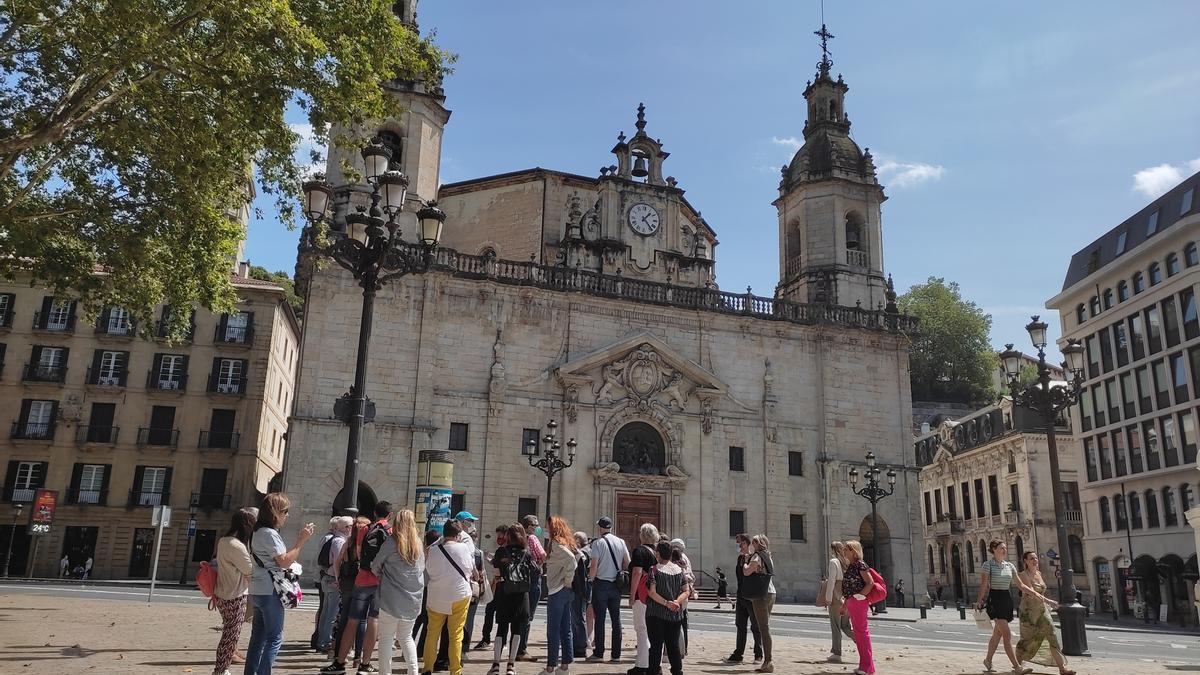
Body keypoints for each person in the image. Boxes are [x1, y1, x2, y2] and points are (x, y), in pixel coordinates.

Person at [245, 492, 314, 675]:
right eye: (285, 511)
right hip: (271, 590)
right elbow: (283, 561)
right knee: (274, 638)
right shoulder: (269, 534)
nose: (287, 515)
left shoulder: (256, 532)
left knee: (257, 637)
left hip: (258, 588)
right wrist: (301, 541)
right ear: (275, 513)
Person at [323, 502, 393, 675]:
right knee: (373, 620)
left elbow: (360, 554)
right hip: (379, 581)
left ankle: (339, 663)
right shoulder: (390, 531)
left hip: (362, 579)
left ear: (375, 513)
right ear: (390, 515)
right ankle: (365, 664)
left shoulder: (364, 529)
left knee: (352, 620)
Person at [974, 540, 1043, 675]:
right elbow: (984, 585)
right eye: (1002, 548)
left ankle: (988, 660)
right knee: (1007, 634)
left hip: (1007, 599)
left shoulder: (1009, 566)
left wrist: (1034, 593)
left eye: (1005, 547)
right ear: (994, 549)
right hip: (995, 600)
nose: (1005, 550)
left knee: (997, 634)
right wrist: (979, 601)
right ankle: (1017, 667)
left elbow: (1020, 585)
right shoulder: (988, 565)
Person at [372, 509, 425, 675]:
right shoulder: (418, 542)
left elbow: (376, 566)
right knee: (406, 637)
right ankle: (413, 671)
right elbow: (421, 568)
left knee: (386, 638)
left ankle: (385, 673)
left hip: (391, 597)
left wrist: (384, 575)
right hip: (413, 598)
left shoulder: (391, 542)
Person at [423, 519, 475, 675]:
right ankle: (455, 670)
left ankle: (427, 668)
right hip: (459, 594)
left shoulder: (432, 550)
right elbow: (469, 569)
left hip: (437, 595)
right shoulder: (464, 548)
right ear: (458, 534)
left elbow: (429, 570)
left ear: (443, 534)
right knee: (456, 635)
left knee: (432, 633)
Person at [1014, 551, 1075, 675]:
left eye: (1035, 557)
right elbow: (1032, 592)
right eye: (1031, 558)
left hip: (1042, 611)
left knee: (1052, 635)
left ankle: (1062, 668)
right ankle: (1018, 665)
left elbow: (1040, 592)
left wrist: (1046, 602)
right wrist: (1049, 601)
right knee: (1027, 639)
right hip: (1028, 613)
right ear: (1025, 561)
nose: (1034, 560)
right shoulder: (1023, 575)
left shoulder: (1039, 574)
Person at [212, 509, 254, 675]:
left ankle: (222, 668)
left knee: (229, 632)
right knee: (231, 635)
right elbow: (249, 571)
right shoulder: (237, 545)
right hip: (235, 594)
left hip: (222, 592)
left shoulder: (223, 541)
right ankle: (221, 669)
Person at [489, 523, 533, 675]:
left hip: (504, 593)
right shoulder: (526, 553)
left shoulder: (501, 552)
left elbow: (496, 573)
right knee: (517, 630)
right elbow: (534, 571)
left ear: (508, 536)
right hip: (521, 595)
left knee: (501, 628)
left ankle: (495, 666)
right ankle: (511, 666)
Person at [586, 516, 629, 664]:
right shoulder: (621, 542)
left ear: (600, 528)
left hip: (601, 584)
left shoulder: (598, 543)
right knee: (616, 620)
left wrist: (590, 579)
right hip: (616, 586)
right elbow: (627, 562)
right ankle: (616, 655)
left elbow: (594, 565)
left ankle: (599, 653)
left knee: (600, 620)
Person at [646, 541, 690, 675]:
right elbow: (686, 591)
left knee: (656, 646)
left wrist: (666, 603)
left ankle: (653, 671)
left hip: (656, 613)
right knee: (673, 645)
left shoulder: (654, 570)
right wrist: (676, 602)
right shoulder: (679, 570)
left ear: (658, 553)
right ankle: (677, 671)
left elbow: (652, 592)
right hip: (674, 614)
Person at [544, 516, 578, 673]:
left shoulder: (556, 544)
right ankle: (565, 665)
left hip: (557, 589)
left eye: (547, 526)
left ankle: (551, 666)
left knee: (553, 629)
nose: (545, 529)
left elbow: (572, 560)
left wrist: (568, 580)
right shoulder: (566, 542)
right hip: (564, 590)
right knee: (566, 628)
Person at [317, 517, 353, 654]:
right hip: (333, 579)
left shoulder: (333, 539)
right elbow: (338, 564)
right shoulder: (339, 541)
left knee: (326, 612)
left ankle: (322, 640)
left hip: (328, 578)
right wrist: (339, 580)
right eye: (350, 526)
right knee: (331, 614)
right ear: (346, 527)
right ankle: (325, 642)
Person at [725, 534, 762, 664]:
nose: (738, 545)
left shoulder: (753, 557)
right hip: (741, 595)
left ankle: (758, 654)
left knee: (755, 626)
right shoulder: (740, 558)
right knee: (740, 625)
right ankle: (738, 653)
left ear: (746, 543)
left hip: (751, 597)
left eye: (739, 543)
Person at [449, 511, 482, 661]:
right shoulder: (466, 540)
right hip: (463, 585)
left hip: (449, 585)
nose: (471, 524)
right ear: (462, 522)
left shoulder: (446, 537)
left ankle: (451, 652)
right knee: (463, 620)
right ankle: (460, 653)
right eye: (469, 521)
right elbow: (470, 562)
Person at [628, 522, 660, 675]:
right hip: (655, 596)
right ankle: (654, 664)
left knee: (641, 629)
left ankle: (641, 666)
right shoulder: (657, 552)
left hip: (642, 596)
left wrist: (631, 594)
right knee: (653, 632)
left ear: (642, 535)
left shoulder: (639, 551)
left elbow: (637, 572)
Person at [840, 540, 875, 675]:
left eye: (846, 549)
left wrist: (861, 595)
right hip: (852, 601)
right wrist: (845, 605)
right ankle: (864, 666)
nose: (844, 551)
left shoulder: (860, 564)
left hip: (859, 601)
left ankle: (867, 668)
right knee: (859, 634)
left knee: (862, 633)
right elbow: (848, 588)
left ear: (853, 551)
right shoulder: (851, 565)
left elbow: (870, 582)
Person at [742, 534, 775, 673]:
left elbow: (747, 572)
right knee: (765, 626)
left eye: (754, 542)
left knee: (764, 628)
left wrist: (745, 562)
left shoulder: (757, 556)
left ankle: (768, 661)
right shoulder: (769, 556)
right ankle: (768, 660)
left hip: (760, 594)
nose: (752, 545)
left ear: (758, 543)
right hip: (771, 592)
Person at [516, 514, 546, 661]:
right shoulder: (532, 538)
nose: (537, 527)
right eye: (535, 525)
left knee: (519, 614)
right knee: (528, 616)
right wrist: (540, 564)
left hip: (520, 579)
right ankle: (522, 650)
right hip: (533, 579)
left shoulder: (518, 537)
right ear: (528, 526)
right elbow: (543, 555)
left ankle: (515, 647)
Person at [476, 524, 510, 651]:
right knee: (502, 614)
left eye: (500, 535)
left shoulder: (501, 550)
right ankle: (503, 641)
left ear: (506, 535)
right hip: (507, 585)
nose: (498, 537)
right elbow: (497, 563)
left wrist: (489, 559)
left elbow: (496, 567)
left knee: (490, 611)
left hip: (498, 584)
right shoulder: (510, 550)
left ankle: (486, 639)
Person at [822, 541, 854, 664]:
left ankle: (836, 653)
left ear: (832, 550)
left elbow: (831, 581)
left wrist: (828, 598)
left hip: (836, 595)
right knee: (845, 625)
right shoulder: (847, 562)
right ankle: (862, 642)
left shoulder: (833, 562)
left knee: (835, 625)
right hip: (846, 597)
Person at [570, 531, 592, 660]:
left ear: (578, 541)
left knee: (577, 618)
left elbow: (579, 575)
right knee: (579, 617)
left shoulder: (581, 554)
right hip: (585, 589)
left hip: (579, 590)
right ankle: (579, 645)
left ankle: (580, 647)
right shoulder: (590, 551)